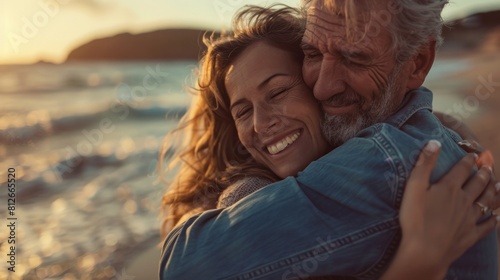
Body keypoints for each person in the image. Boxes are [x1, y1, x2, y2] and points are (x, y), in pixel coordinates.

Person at [159, 3, 499, 280]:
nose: (322, 87)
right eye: (313, 54)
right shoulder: (424, 137)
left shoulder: (385, 164)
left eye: (353, 57)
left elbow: (184, 266)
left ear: (418, 63)